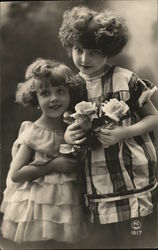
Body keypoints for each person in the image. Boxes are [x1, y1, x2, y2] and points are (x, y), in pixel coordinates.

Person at [59, 6, 158, 248]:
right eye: (79, 50)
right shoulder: (71, 87)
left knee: (135, 235)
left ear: (108, 51)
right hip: (96, 176)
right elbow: (67, 124)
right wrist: (69, 135)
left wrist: (122, 133)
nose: (84, 59)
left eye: (94, 52)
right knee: (104, 240)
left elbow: (153, 117)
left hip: (131, 170)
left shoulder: (126, 80)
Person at [0, 58, 88, 248]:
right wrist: (51, 165)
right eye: (45, 93)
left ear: (69, 95)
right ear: (36, 99)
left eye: (60, 91)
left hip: (65, 205)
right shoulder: (33, 133)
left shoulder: (71, 128)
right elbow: (16, 174)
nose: (54, 98)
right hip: (38, 209)